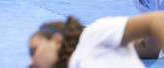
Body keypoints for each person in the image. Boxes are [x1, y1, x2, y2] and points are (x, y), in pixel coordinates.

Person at [29, 12, 164, 68]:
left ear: (57, 40)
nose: (30, 63)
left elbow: (156, 21)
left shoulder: (92, 35)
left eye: (34, 51)